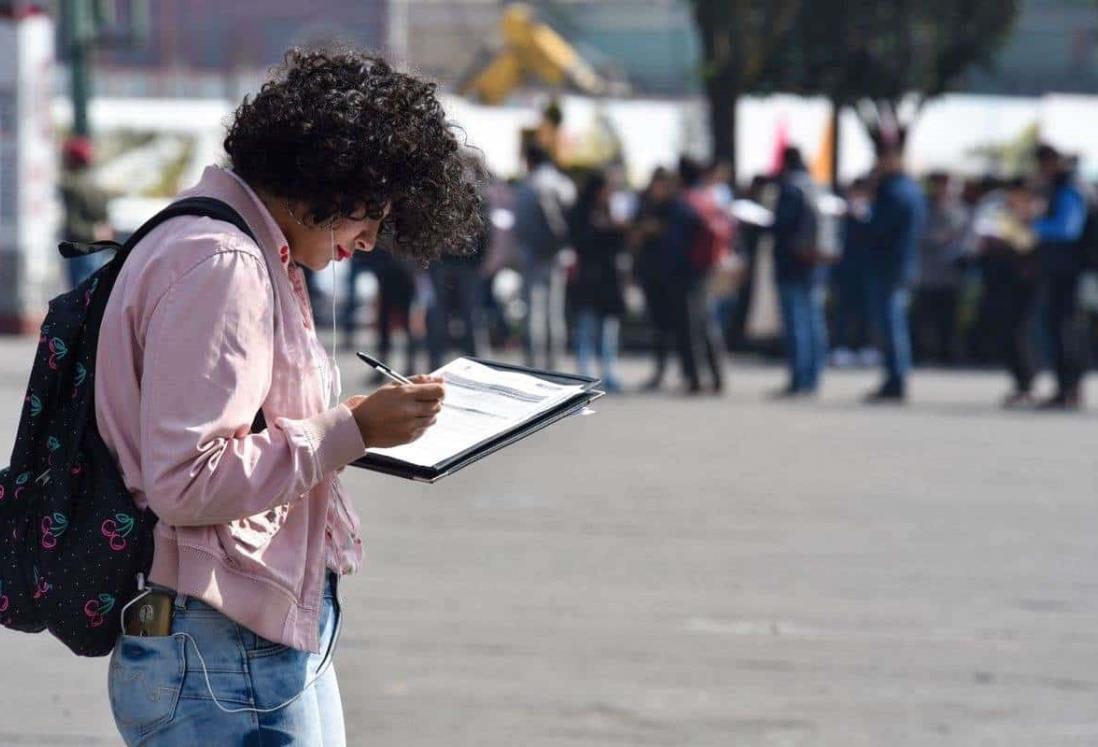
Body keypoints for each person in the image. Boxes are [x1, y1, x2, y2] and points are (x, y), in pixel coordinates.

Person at [96, 48, 481, 745]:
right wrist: (352, 427)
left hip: (233, 642)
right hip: (222, 651)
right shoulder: (226, 263)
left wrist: (358, 424)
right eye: (372, 213)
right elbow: (187, 479)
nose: (369, 239)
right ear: (326, 176)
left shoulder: (226, 241)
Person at [865, 138, 925, 403]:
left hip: (889, 265)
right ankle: (896, 377)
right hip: (904, 264)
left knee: (890, 325)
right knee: (894, 324)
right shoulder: (912, 189)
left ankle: (895, 379)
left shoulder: (892, 191)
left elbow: (878, 228)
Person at [972, 178, 1042, 407]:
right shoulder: (999, 212)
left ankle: (1027, 383)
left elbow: (1029, 245)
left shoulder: (1037, 216)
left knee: (1019, 332)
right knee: (1008, 332)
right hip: (1002, 282)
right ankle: (1021, 382)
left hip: (1025, 283)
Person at [1031, 144, 1089, 409]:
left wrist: (1033, 224)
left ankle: (1069, 389)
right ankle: (1065, 388)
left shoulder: (1069, 188)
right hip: (1061, 271)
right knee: (1059, 329)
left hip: (1069, 273)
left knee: (1065, 331)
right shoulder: (1063, 186)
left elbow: (1068, 229)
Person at [666, 157, 730, 394]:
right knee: (706, 322)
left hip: (685, 271)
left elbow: (675, 243)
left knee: (688, 325)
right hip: (705, 267)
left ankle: (694, 378)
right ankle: (717, 375)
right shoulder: (708, 198)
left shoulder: (682, 202)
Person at [771, 147, 828, 396]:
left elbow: (782, 227)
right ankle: (814, 376)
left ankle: (800, 378)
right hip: (814, 262)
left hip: (792, 263)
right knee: (814, 321)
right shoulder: (816, 186)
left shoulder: (791, 189)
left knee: (796, 324)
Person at [513, 143, 575, 370]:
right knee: (555, 312)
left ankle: (533, 364)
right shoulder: (563, 183)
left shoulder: (528, 186)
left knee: (534, 313)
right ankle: (554, 363)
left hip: (533, 255)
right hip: (559, 254)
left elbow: (519, 226)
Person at [426, 157, 492, 370]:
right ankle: (472, 361)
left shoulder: (448, 195)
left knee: (460, 314)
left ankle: (471, 361)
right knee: (456, 314)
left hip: (458, 264)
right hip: (455, 263)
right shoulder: (471, 196)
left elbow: (486, 232)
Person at [569, 170, 626, 391]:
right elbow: (582, 240)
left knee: (608, 331)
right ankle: (585, 375)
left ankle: (608, 373)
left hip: (607, 278)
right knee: (588, 328)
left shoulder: (608, 210)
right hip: (590, 277)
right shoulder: (581, 212)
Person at [912, 172, 968, 365]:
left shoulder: (960, 210)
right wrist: (937, 238)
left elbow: (966, 236)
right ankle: (923, 353)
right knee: (925, 316)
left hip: (952, 274)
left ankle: (947, 354)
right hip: (928, 273)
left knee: (948, 317)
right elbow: (919, 235)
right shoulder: (925, 209)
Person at [631, 167, 677, 389]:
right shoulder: (645, 205)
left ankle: (670, 368)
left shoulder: (671, 207)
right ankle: (660, 369)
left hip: (668, 272)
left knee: (670, 325)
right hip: (650, 272)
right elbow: (635, 232)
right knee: (657, 325)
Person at [830, 177, 875, 367]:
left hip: (866, 269)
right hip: (845, 270)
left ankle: (865, 346)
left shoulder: (873, 213)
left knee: (866, 311)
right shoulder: (842, 214)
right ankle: (842, 346)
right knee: (844, 310)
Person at [58, 136, 114, 288]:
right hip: (97, 250)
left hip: (79, 250)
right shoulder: (98, 187)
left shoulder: (71, 187)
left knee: (79, 299)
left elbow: (73, 226)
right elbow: (106, 224)